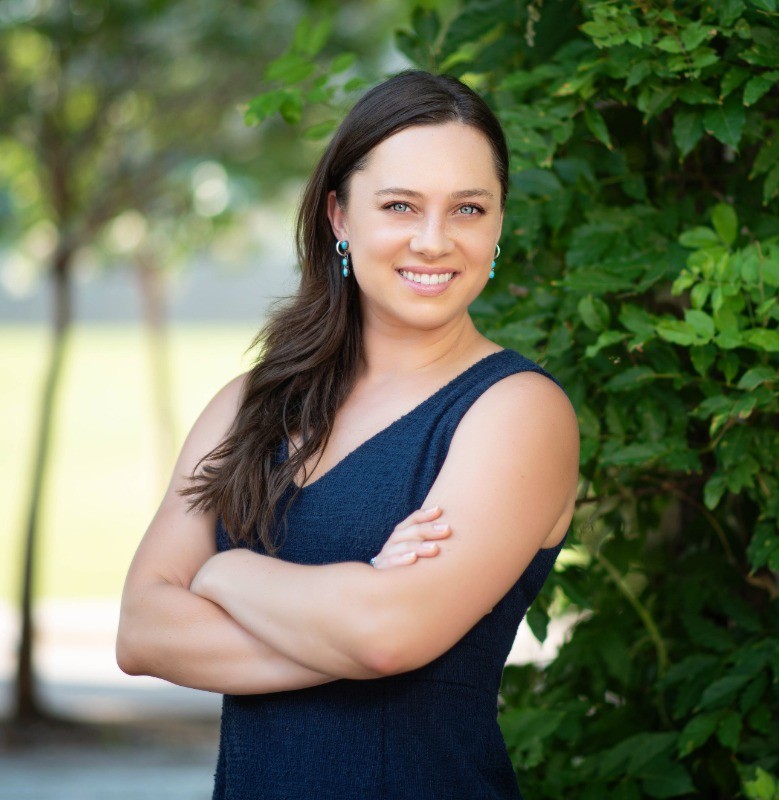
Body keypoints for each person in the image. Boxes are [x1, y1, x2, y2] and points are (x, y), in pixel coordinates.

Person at [116, 70, 579, 799]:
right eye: (400, 205)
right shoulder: (250, 404)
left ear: (497, 225)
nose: (434, 241)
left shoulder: (517, 412)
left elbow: (388, 636)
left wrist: (222, 576)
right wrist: (353, 611)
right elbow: (143, 633)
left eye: (468, 208)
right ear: (340, 216)